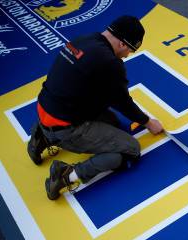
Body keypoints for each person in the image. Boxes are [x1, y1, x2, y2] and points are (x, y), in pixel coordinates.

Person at [27, 15, 165, 200]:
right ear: (123, 44)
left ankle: (42, 135)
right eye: (130, 50)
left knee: (113, 122)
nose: (127, 56)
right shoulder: (110, 62)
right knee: (128, 150)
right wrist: (148, 122)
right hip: (66, 128)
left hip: (46, 108)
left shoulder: (84, 39)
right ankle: (66, 175)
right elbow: (121, 101)